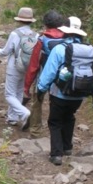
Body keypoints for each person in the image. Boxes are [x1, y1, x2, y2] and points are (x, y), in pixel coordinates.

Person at [37, 16, 93, 165]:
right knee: (69, 117)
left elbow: (50, 72)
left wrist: (41, 89)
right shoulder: (89, 50)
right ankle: (67, 148)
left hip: (59, 93)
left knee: (55, 121)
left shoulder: (59, 49)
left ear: (64, 31)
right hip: (79, 94)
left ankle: (56, 154)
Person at [23, 10, 65, 139]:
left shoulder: (42, 40)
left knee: (37, 103)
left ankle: (35, 131)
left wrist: (26, 87)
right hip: (61, 77)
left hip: (43, 76)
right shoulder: (67, 39)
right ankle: (58, 131)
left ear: (45, 24)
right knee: (56, 103)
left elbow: (33, 66)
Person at [0, 7, 35, 129]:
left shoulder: (15, 34)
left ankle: (24, 113)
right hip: (27, 68)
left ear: (19, 20)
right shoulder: (35, 35)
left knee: (9, 94)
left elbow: (6, 51)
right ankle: (13, 118)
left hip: (14, 66)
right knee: (18, 92)